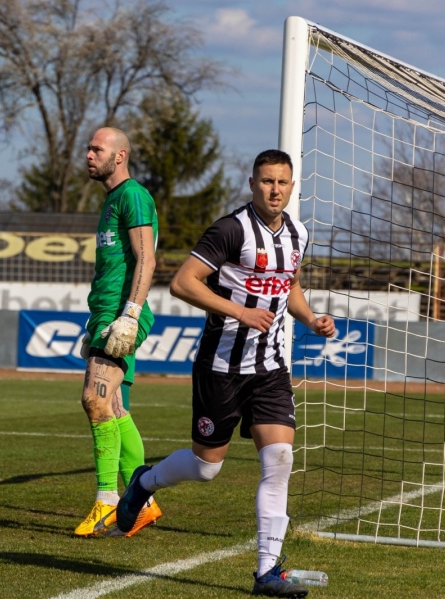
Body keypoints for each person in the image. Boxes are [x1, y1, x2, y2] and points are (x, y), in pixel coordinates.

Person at [115, 149, 335, 597]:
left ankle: (267, 571)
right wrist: (238, 310)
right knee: (205, 467)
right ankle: (145, 480)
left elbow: (287, 281)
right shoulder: (231, 229)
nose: (275, 190)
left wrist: (310, 319)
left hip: (271, 367)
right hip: (221, 367)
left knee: (279, 459)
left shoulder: (299, 233)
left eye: (283, 182)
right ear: (252, 183)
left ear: (293, 187)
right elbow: (183, 282)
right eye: (267, 181)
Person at [73, 127, 162, 538]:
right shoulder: (110, 200)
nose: (89, 155)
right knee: (115, 411)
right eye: (89, 149)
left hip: (121, 315)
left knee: (94, 400)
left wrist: (129, 314)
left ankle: (107, 501)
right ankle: (141, 503)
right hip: (104, 316)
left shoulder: (132, 195)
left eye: (97, 149)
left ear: (120, 155)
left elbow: (147, 257)